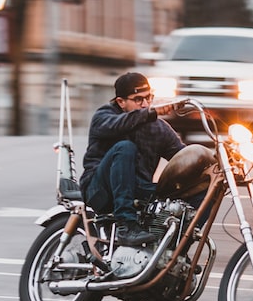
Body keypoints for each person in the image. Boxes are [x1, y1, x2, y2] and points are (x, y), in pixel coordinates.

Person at [79, 72, 185, 246]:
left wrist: (215, 163)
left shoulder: (159, 128)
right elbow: (118, 125)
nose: (145, 104)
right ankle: (126, 226)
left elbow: (182, 157)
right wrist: (151, 113)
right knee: (125, 148)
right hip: (99, 190)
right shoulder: (104, 116)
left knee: (195, 186)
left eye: (148, 98)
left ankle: (177, 245)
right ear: (121, 102)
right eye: (138, 99)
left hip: (138, 189)